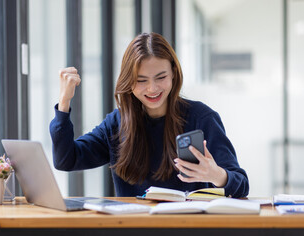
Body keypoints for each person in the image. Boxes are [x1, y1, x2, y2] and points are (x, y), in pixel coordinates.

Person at [50, 32, 249, 198]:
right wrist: (64, 102)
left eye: (160, 77)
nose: (152, 89)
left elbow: (241, 185)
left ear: (173, 73)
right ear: (128, 81)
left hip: (188, 228)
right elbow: (66, 160)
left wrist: (217, 176)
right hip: (135, 229)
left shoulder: (202, 118)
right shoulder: (117, 124)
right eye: (141, 80)